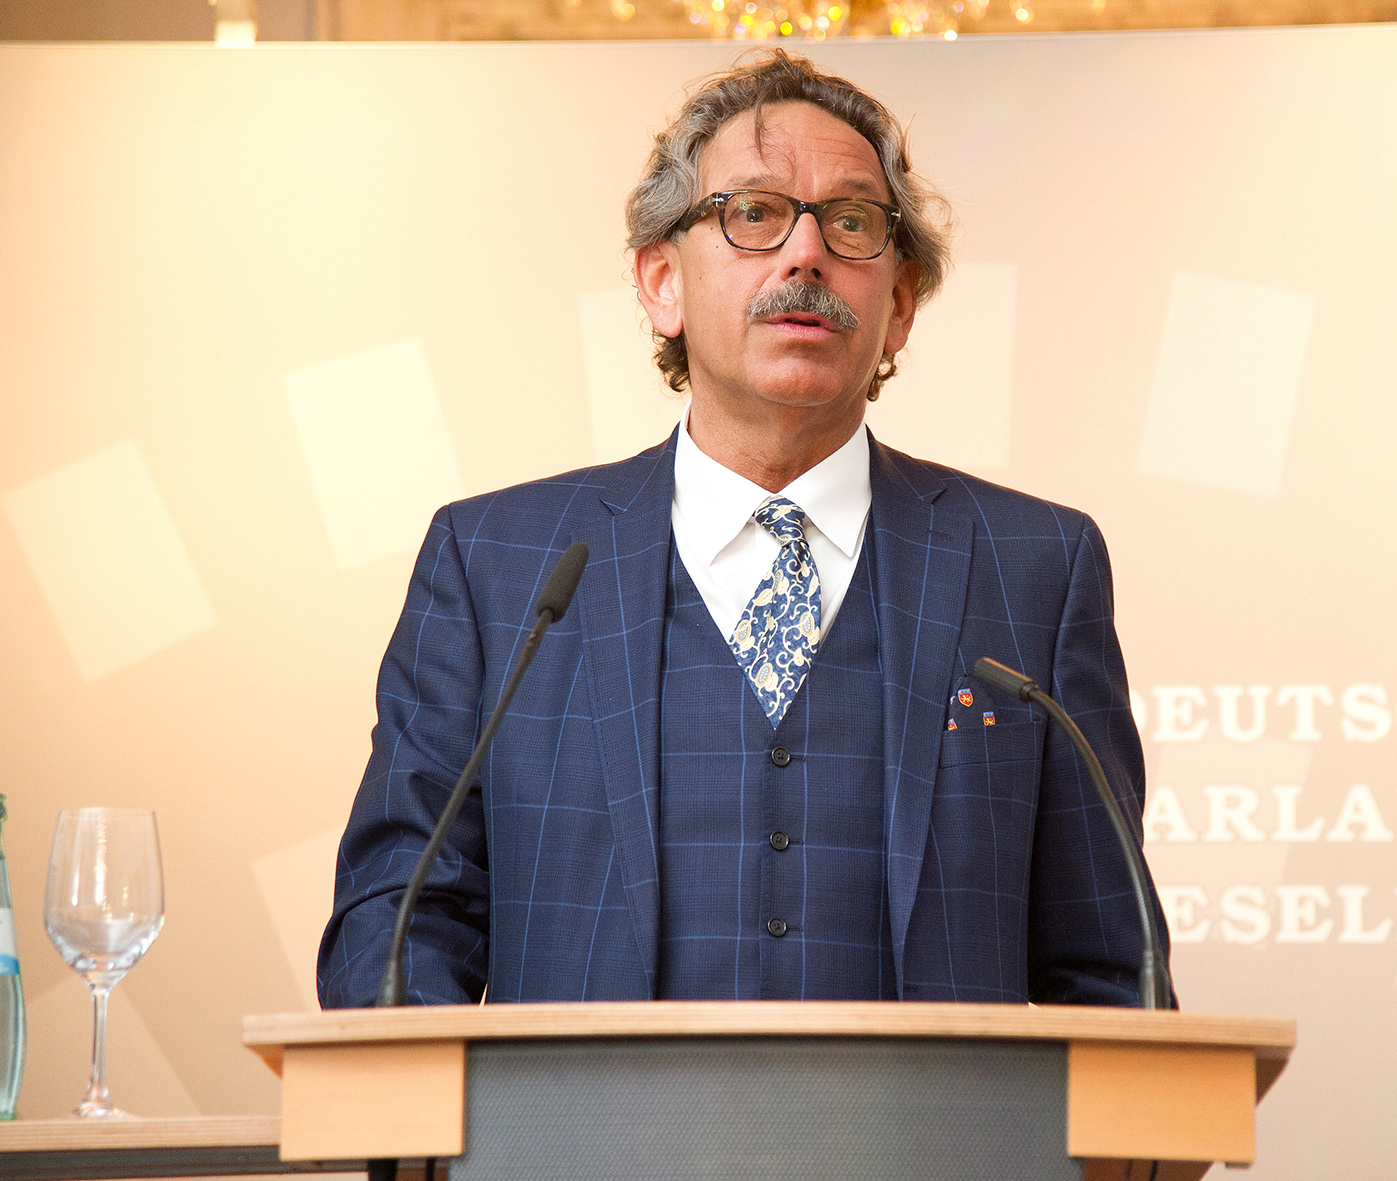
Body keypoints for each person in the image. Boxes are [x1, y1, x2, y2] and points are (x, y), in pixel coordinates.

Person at [318, 50, 1167, 1008]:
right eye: (752, 214)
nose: (806, 253)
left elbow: (1110, 969)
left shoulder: (1037, 568)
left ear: (898, 307)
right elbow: (397, 929)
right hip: (578, 1113)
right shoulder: (497, 567)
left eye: (852, 222)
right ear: (661, 283)